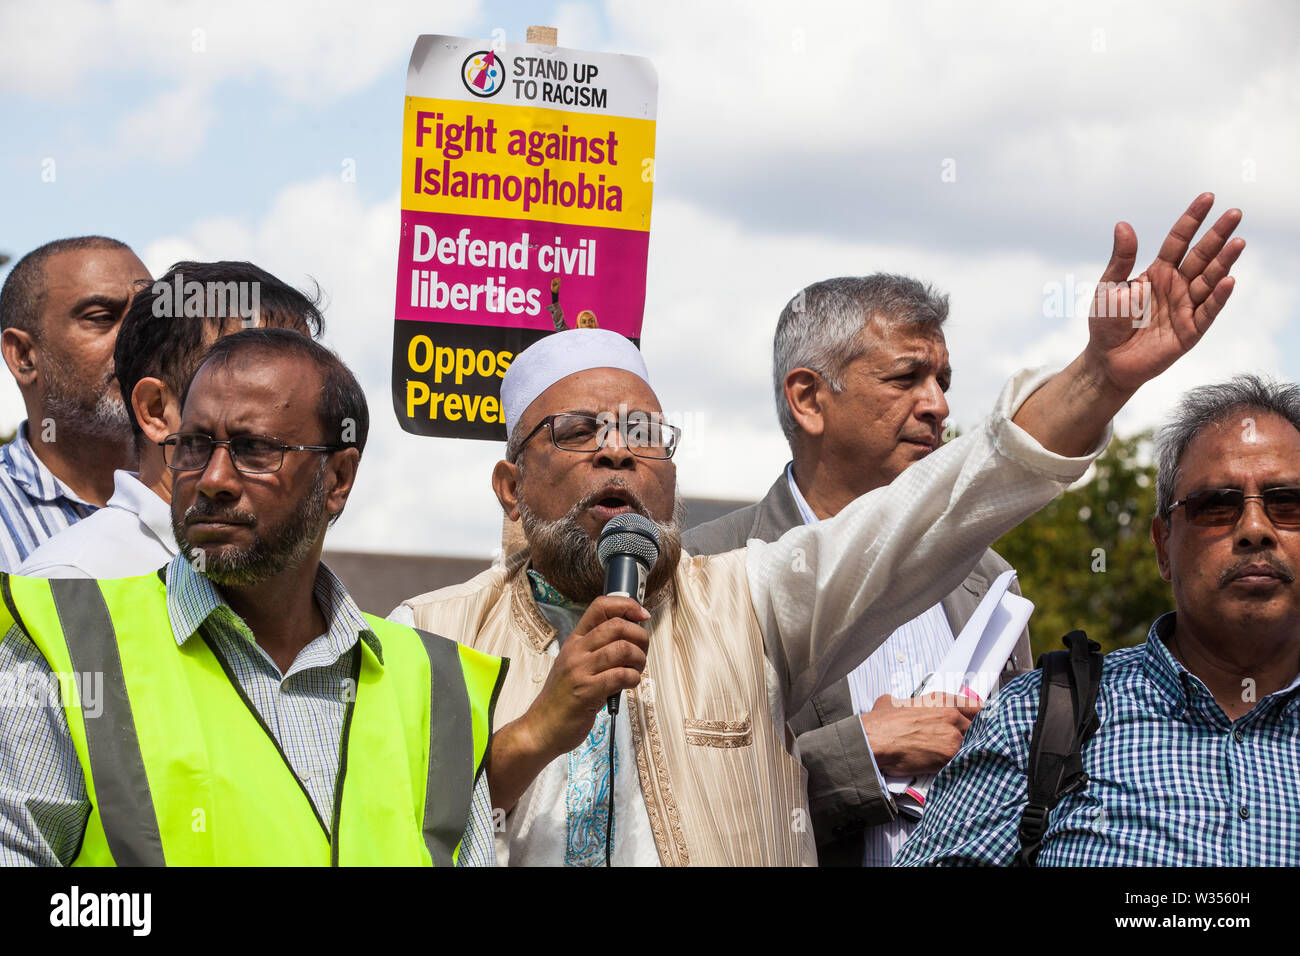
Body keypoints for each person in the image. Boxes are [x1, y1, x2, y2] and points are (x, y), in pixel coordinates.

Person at [394, 194, 1243, 865]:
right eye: (580, 433)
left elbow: (943, 503)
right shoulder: (424, 641)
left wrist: (1096, 378)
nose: (620, 455)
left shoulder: (746, 598)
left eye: (646, 435)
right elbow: (392, 837)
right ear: (512, 487)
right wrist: (541, 730)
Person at [0, 328, 505, 866]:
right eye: (194, 445)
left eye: (255, 449)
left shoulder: (436, 686)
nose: (213, 478)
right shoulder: (65, 645)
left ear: (338, 477)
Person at [684, 274, 1030, 866]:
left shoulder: (988, 582)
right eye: (906, 378)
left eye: (942, 382)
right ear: (809, 399)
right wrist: (861, 753)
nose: (938, 406)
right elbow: (677, 793)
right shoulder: (703, 572)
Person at [896, 374, 1300, 867]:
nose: (1254, 529)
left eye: (1288, 504)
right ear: (1163, 547)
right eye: (1216, 506)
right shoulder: (1035, 718)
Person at [19, 261, 323, 579]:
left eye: (303, 375)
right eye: (250, 370)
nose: (289, 399)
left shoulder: (292, 580)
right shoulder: (74, 579)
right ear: (156, 410)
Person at [0, 236, 150, 569]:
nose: (137, 339)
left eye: (149, 317)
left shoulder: (210, 493)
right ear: (23, 355)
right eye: (101, 317)